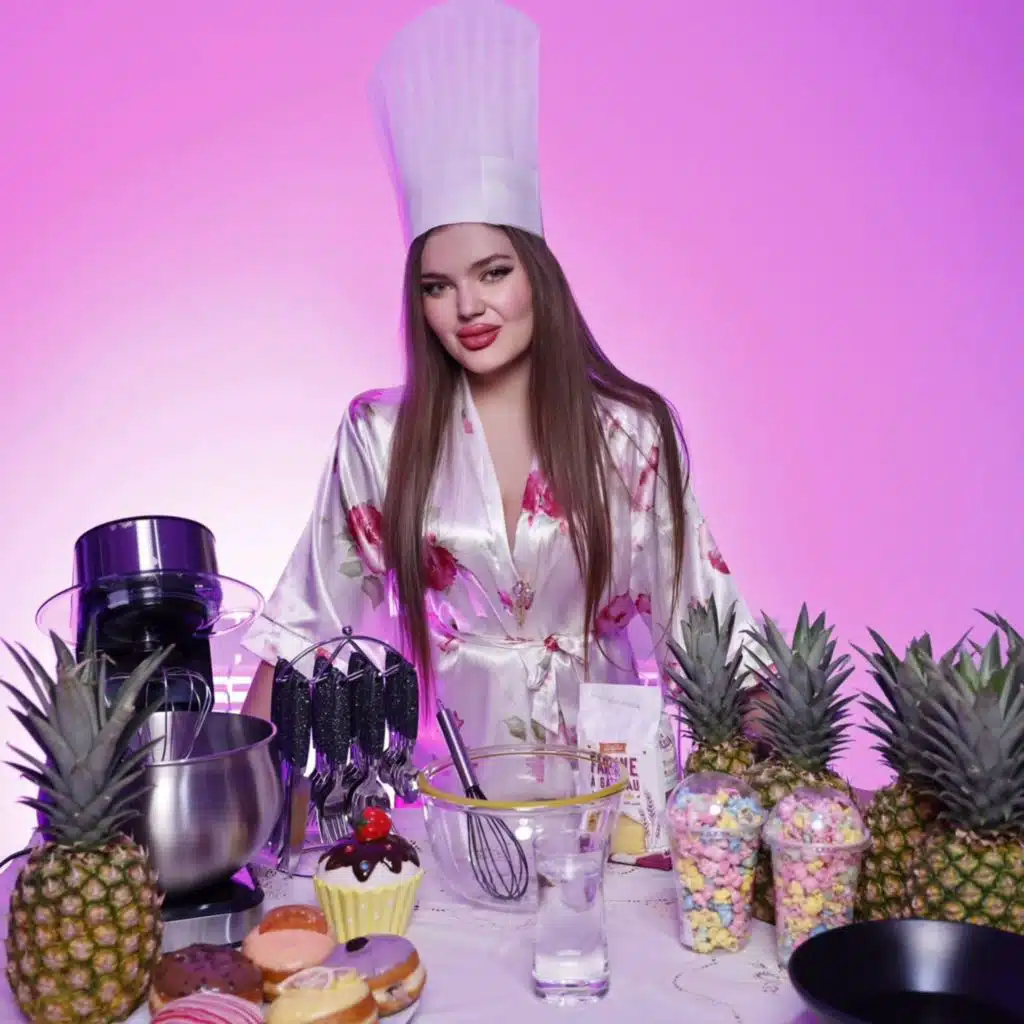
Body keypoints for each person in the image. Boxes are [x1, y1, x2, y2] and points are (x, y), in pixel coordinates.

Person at [241, 0, 758, 757]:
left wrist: (786, 794)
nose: (468, 308)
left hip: (610, 791)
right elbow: (304, 625)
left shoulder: (631, 434)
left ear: (537, 274)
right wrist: (233, 783)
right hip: (447, 784)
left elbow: (712, 633)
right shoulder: (379, 436)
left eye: (492, 273)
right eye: (437, 286)